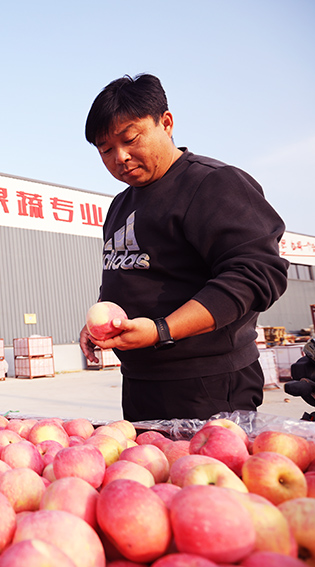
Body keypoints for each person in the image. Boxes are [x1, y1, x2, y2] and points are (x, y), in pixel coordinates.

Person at [79, 73, 289, 422]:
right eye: (105, 150)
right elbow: (125, 275)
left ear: (166, 123)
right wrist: (101, 322)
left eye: (130, 139)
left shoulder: (212, 184)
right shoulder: (120, 205)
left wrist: (162, 330)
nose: (120, 157)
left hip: (207, 384)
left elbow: (256, 274)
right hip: (141, 381)